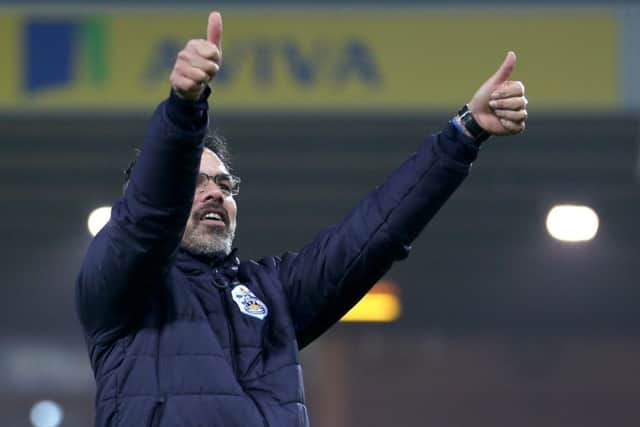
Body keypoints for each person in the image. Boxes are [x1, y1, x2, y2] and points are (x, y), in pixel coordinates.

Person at [76, 11, 528, 427]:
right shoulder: (122, 287)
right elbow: (148, 216)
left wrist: (464, 134)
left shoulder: (270, 293)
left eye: (225, 184)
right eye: (194, 183)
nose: (215, 191)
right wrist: (183, 108)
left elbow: (373, 234)